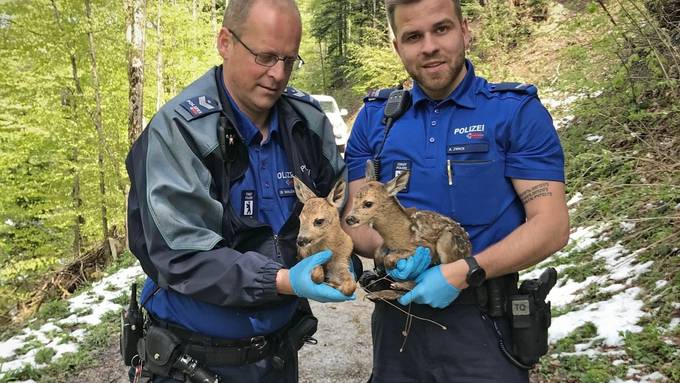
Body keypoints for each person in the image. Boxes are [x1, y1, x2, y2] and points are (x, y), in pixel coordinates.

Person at [125, 0, 356, 382]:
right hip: (191, 357)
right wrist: (282, 281)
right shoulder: (180, 130)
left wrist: (348, 258)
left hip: (278, 353)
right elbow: (182, 256)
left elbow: (335, 213)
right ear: (225, 42)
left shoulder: (307, 123)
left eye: (289, 60)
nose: (277, 74)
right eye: (265, 56)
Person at [342, 0, 570, 381]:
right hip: (398, 322)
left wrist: (466, 271)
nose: (429, 46)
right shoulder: (374, 120)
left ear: (465, 30)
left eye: (441, 29)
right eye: (413, 36)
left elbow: (551, 225)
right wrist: (389, 252)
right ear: (398, 47)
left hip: (484, 324)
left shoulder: (514, 112)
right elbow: (355, 221)